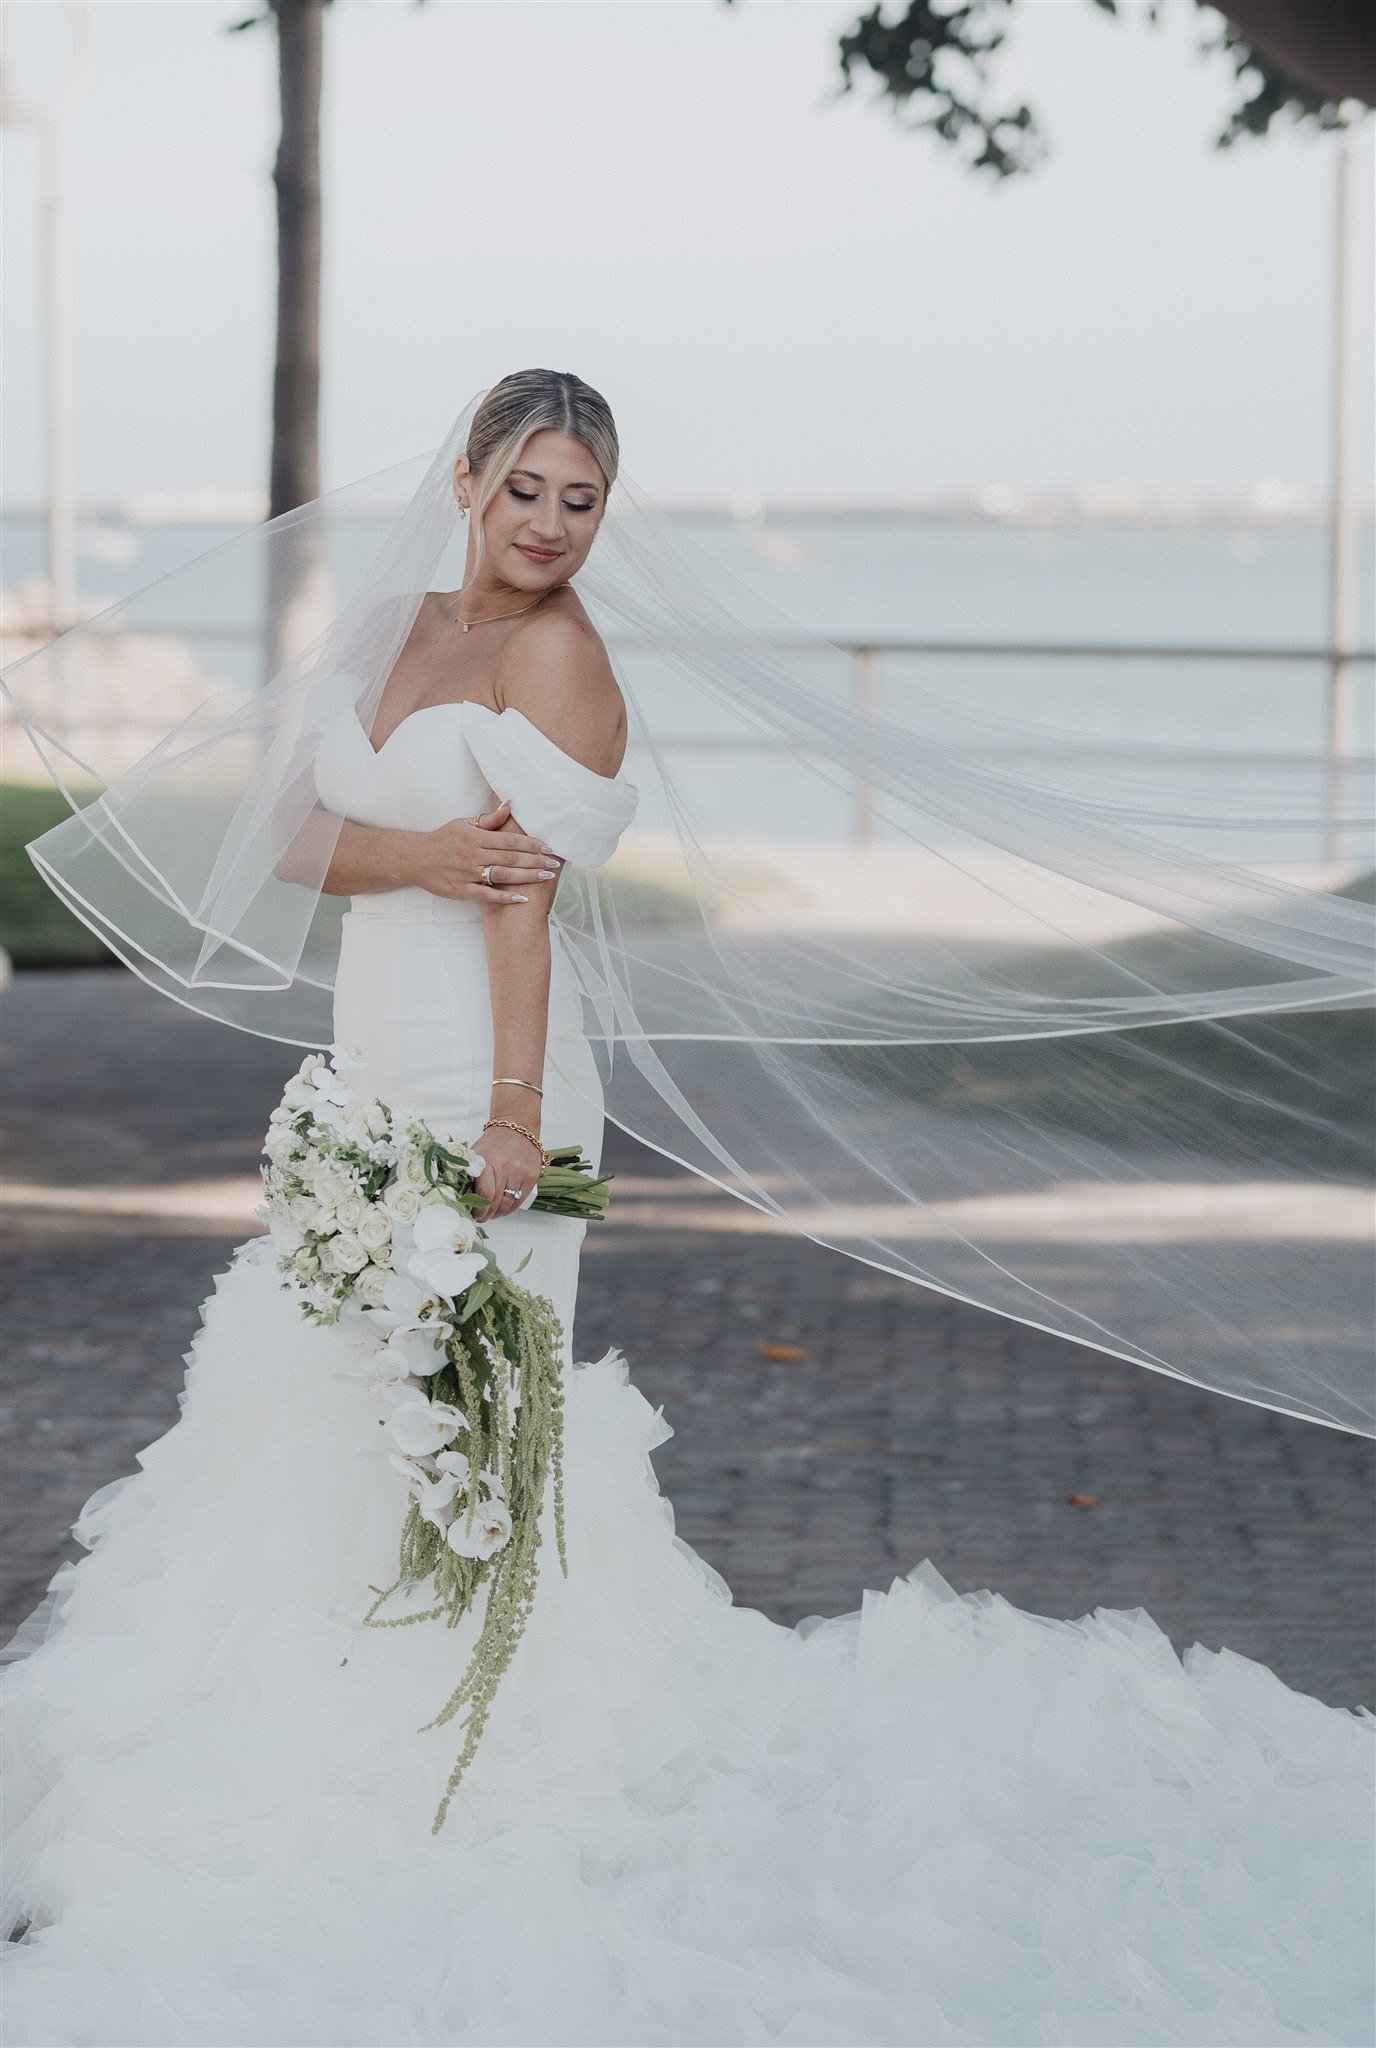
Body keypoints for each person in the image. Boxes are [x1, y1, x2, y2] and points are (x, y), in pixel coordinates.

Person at [2, 370, 1371, 2048]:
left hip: (488, 1075)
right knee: (328, 1405)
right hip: (369, 1058)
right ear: (465, 478)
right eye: (528, 490)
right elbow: (294, 836)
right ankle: (320, 1710)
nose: (551, 526)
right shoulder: (390, 631)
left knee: (470, 1421)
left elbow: (530, 908)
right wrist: (428, 858)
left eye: (582, 500)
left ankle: (473, 1749)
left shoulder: (561, 659)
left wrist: (513, 1114)